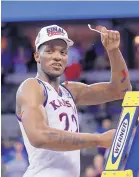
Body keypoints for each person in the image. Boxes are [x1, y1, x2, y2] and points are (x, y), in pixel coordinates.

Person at [15, 24, 132, 177]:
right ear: (37, 55)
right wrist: (98, 139)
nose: (57, 56)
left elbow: (121, 90)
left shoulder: (70, 90)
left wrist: (113, 51)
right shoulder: (32, 87)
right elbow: (39, 136)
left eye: (63, 52)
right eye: (50, 51)